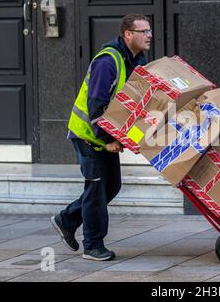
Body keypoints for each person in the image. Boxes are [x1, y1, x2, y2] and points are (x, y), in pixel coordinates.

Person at [51, 14, 152, 261]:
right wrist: (107, 139)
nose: (149, 35)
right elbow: (96, 103)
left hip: (105, 135)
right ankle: (93, 246)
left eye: (150, 31)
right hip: (88, 135)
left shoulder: (136, 60)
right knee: (96, 190)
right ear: (128, 34)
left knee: (111, 186)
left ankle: (66, 219)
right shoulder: (108, 61)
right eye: (143, 31)